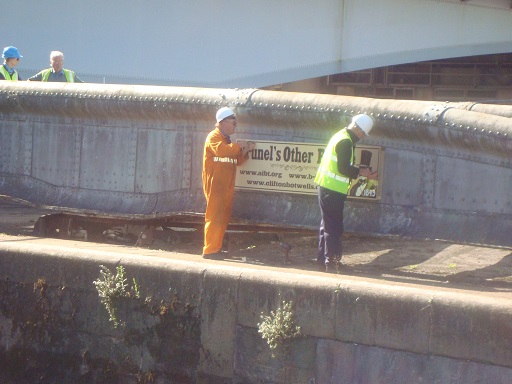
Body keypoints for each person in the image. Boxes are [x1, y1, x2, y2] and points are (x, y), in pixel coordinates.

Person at [314, 114, 376, 273]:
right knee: (333, 227)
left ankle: (322, 260)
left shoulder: (340, 136)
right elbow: (343, 168)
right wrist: (362, 172)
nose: (362, 137)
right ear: (357, 128)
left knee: (326, 225)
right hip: (332, 190)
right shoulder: (345, 142)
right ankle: (332, 262)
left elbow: (342, 165)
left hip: (327, 187)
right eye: (363, 133)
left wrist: (360, 170)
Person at [202, 107, 255, 259]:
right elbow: (221, 151)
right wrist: (240, 146)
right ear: (223, 122)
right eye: (233, 123)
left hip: (225, 185)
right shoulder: (213, 137)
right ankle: (209, 250)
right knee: (214, 216)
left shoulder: (226, 141)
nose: (235, 125)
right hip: (216, 184)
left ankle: (216, 247)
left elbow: (236, 160)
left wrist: (246, 152)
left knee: (223, 216)